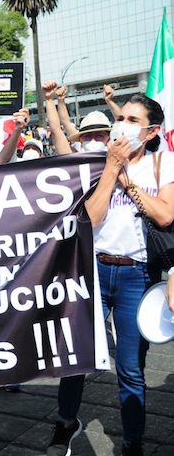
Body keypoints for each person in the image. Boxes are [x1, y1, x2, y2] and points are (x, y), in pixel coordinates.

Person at [47, 94, 174, 456]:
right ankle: (66, 423)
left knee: (131, 368)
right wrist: (112, 169)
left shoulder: (164, 163)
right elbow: (92, 217)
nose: (122, 125)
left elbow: (165, 216)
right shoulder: (102, 161)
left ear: (151, 132)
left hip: (138, 276)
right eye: (122, 117)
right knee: (76, 357)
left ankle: (133, 439)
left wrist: (129, 183)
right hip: (95, 271)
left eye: (133, 120)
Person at [43, 81, 112, 155]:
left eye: (99, 136)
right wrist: (49, 99)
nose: (93, 140)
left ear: (108, 139)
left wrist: (110, 101)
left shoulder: (120, 157)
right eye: (87, 136)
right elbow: (57, 129)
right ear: (80, 140)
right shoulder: (74, 158)